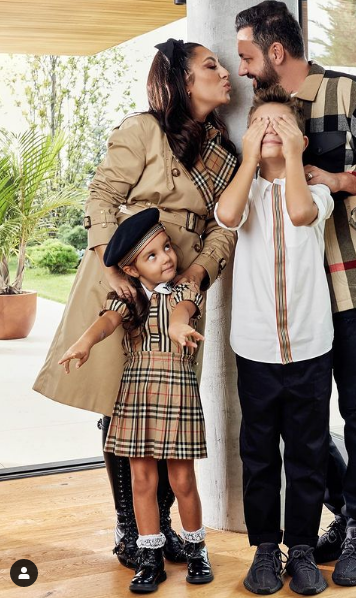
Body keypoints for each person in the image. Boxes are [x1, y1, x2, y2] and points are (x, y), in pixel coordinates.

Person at [235, 1, 356, 588]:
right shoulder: (265, 118)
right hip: (292, 304)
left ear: (275, 51)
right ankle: (342, 511)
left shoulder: (353, 93)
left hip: (352, 280)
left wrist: (339, 180)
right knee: (305, 422)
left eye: (246, 56)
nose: (241, 69)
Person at [34, 39, 237, 569]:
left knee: (167, 406)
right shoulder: (143, 129)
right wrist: (112, 268)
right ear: (182, 81)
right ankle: (131, 529)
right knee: (121, 403)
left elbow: (224, 227)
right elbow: (102, 195)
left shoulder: (223, 151)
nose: (225, 72)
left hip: (182, 284)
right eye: (210, 65)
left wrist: (197, 274)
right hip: (121, 276)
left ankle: (160, 529)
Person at [216, 86, 334, 596]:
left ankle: (302, 548)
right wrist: (249, 160)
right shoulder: (244, 190)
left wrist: (292, 159)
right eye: (258, 123)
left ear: (300, 140)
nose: (268, 129)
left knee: (308, 452)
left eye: (280, 123)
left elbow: (301, 214)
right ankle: (266, 548)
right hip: (257, 348)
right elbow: (227, 217)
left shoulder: (317, 193)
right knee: (259, 453)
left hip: (310, 346)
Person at [59, 208, 213, 593]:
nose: (167, 258)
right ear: (131, 270)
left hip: (176, 394)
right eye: (153, 255)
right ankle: (150, 558)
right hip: (137, 394)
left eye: (167, 248)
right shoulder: (127, 299)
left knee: (182, 479)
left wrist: (179, 324)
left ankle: (197, 551)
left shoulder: (185, 290)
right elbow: (107, 322)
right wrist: (84, 342)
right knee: (141, 480)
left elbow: (184, 311)